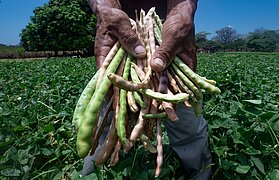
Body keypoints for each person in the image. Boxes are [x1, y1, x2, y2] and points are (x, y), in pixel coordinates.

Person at [82, 0, 212, 179]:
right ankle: (91, 173)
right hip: (118, 31)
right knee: (109, 112)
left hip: (168, 31)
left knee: (185, 114)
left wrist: (183, 9)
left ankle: (201, 173)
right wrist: (105, 8)